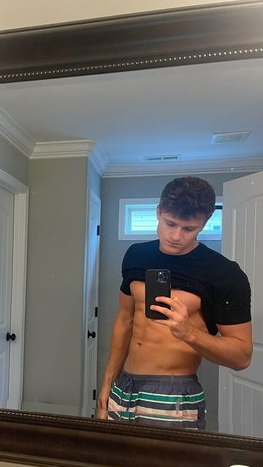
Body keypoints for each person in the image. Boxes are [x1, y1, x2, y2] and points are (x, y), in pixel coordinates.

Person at [97, 176, 252, 429]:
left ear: (205, 222)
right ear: (158, 212)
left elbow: (242, 357)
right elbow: (125, 320)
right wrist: (107, 383)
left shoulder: (224, 273)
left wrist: (189, 333)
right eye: (170, 223)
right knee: (113, 454)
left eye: (188, 228)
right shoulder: (136, 255)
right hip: (124, 386)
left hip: (174, 393)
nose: (176, 235)